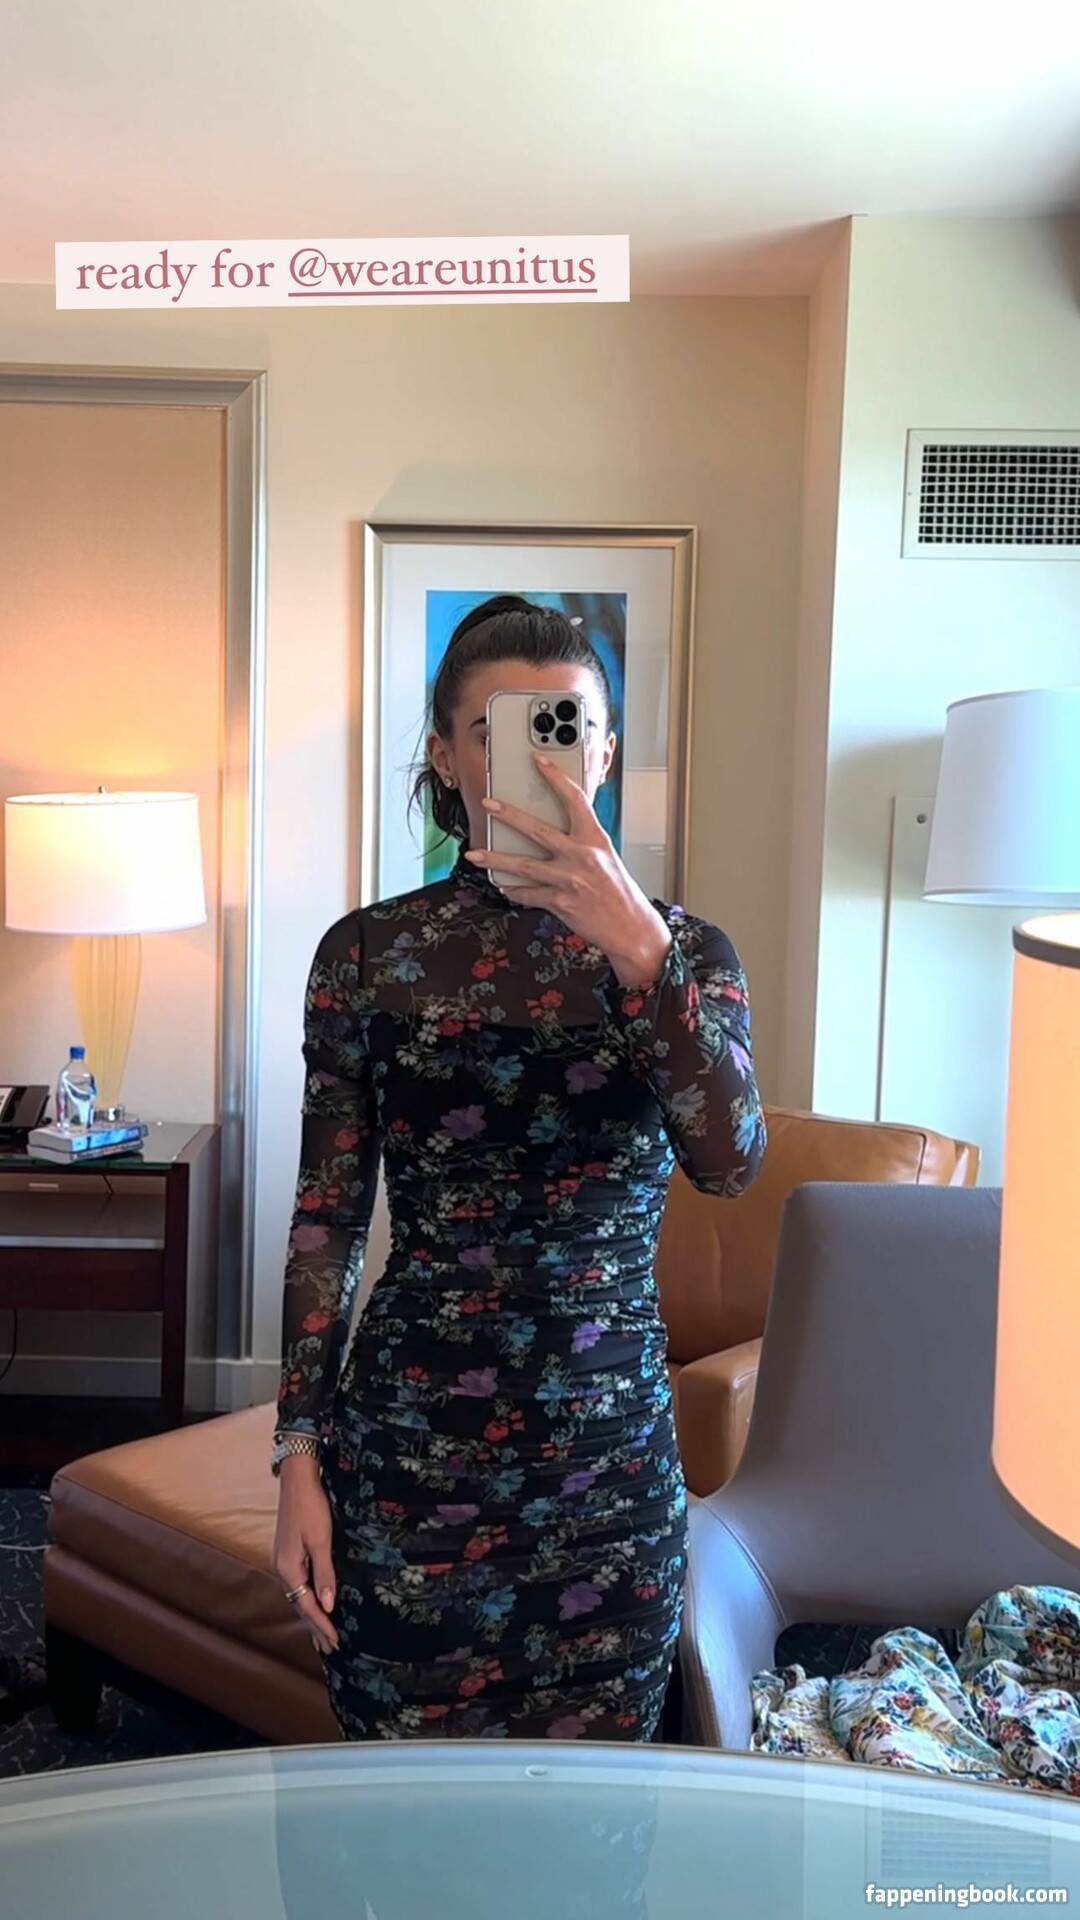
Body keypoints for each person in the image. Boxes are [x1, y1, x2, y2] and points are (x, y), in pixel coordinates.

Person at [271, 594, 766, 1743]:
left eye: (565, 729)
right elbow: (326, 1221)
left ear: (604, 751)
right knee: (395, 1813)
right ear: (448, 756)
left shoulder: (688, 953)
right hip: (407, 1460)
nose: (542, 762)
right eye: (498, 733)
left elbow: (733, 1162)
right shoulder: (366, 956)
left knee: (601, 1822)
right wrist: (297, 1455)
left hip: (610, 1478)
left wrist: (640, 953)